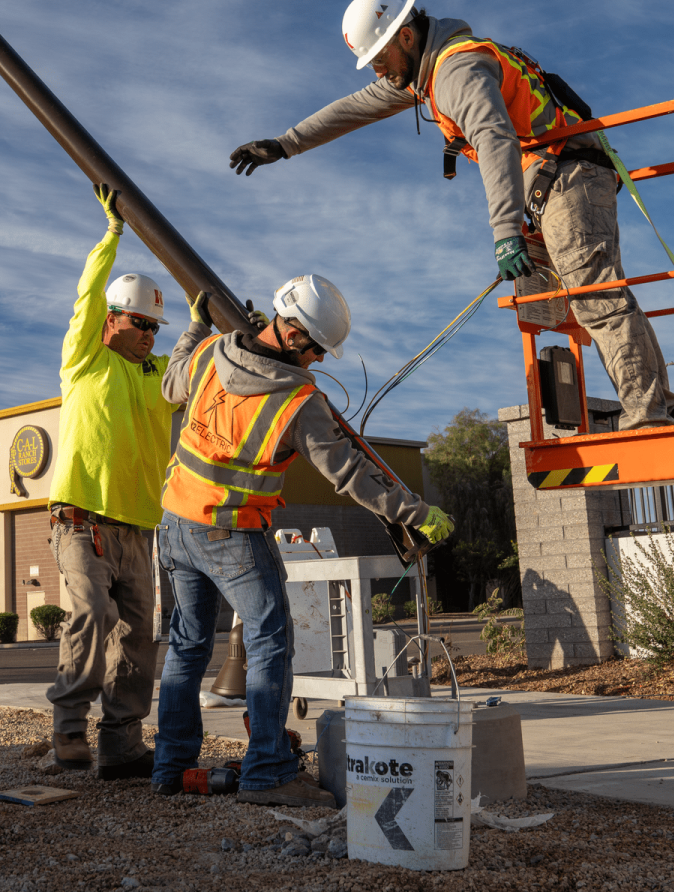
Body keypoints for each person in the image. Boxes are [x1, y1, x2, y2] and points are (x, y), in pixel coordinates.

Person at [228, 0, 674, 430]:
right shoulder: (430, 71)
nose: (379, 72)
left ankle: (650, 415)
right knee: (599, 295)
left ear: (406, 36)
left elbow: (493, 137)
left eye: (380, 59)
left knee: (595, 298)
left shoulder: (455, 70)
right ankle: (658, 406)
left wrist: (505, 231)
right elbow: (356, 108)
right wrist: (286, 143)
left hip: (567, 177)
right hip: (566, 177)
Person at [151, 273, 452, 807]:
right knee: (270, 643)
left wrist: (194, 326)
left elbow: (170, 383)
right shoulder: (297, 398)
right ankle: (268, 771)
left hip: (174, 524)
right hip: (232, 530)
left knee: (187, 645)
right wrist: (416, 512)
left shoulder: (211, 351)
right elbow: (349, 473)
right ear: (294, 337)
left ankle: (169, 768)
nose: (317, 361)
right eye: (316, 350)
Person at [45, 183, 176, 780]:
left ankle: (121, 742)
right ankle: (69, 729)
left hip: (138, 527)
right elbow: (87, 297)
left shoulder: (158, 378)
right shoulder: (85, 360)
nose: (151, 332)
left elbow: (197, 363)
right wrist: (112, 235)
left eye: (157, 325)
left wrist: (217, 328)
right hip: (82, 521)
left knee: (140, 636)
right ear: (113, 321)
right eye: (141, 322)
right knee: (92, 614)